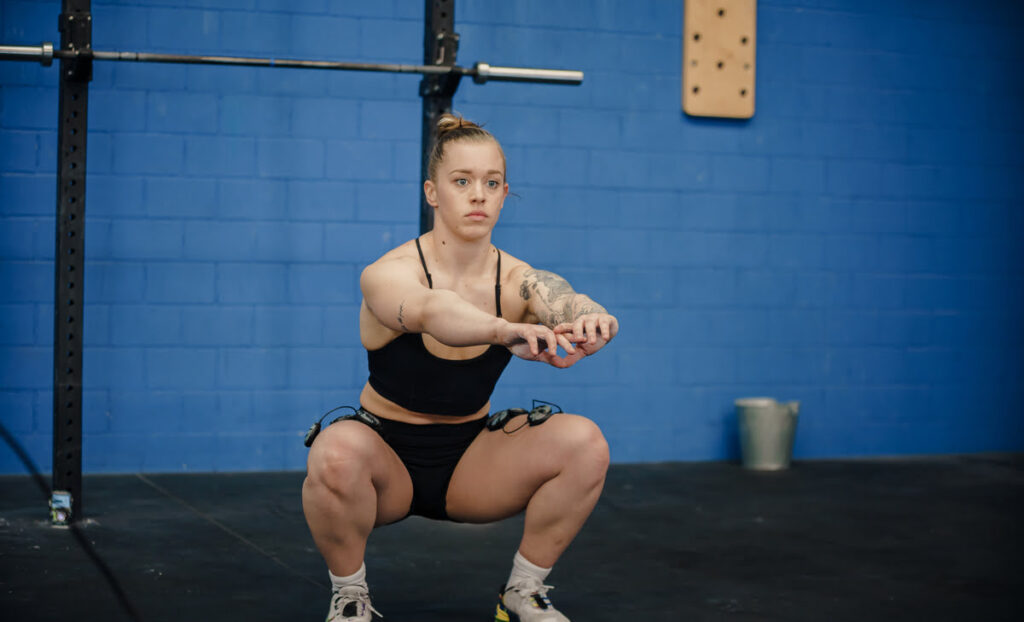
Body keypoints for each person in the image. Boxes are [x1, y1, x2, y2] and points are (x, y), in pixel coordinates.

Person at [302, 114, 619, 622]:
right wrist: (503, 330)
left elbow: (564, 299)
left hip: (471, 463)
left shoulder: (518, 279)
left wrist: (594, 323)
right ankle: (350, 598)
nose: (478, 195)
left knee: (586, 443)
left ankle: (522, 593)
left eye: (491, 184)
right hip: (385, 463)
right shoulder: (389, 273)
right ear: (432, 192)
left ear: (504, 192)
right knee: (334, 451)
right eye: (462, 182)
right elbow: (433, 311)